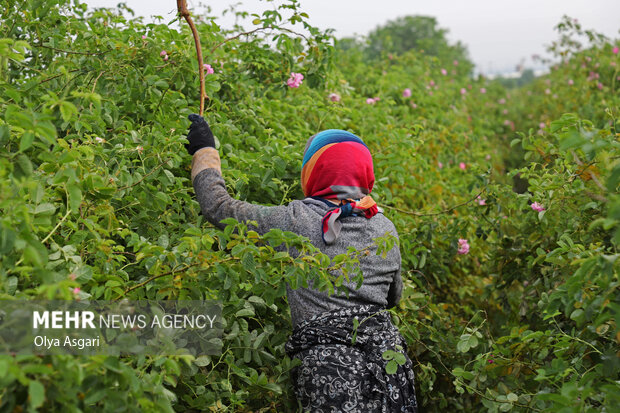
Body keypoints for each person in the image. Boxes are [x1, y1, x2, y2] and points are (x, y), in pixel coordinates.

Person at [185, 114, 418, 412]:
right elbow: (393, 297)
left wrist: (205, 151)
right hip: (389, 363)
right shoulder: (385, 228)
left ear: (314, 171)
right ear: (365, 173)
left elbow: (219, 207)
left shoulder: (296, 220)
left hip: (328, 372)